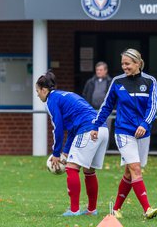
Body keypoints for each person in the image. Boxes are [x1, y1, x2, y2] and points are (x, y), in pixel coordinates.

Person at [90, 48, 157, 219]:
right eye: (122, 64)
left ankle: (116, 208)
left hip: (143, 132)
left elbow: (153, 106)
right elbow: (106, 106)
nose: (124, 67)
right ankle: (147, 209)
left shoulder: (150, 81)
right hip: (123, 131)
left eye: (127, 64)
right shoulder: (117, 82)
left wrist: (145, 124)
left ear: (138, 63)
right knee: (135, 168)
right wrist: (96, 125)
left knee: (130, 172)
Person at [36, 71, 109, 216]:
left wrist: (56, 153)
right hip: (102, 130)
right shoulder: (65, 95)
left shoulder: (51, 101)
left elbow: (58, 128)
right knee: (89, 171)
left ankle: (74, 210)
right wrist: (65, 151)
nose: (37, 95)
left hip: (88, 129)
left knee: (71, 168)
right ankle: (91, 210)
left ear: (44, 90)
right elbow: (71, 129)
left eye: (37, 91)